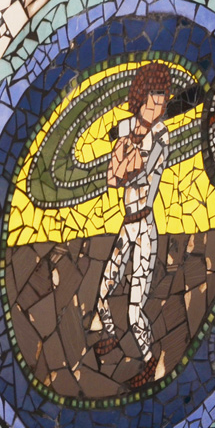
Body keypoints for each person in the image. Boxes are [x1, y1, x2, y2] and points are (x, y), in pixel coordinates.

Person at [92, 62, 171, 390]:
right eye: (154, 100)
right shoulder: (129, 131)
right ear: (140, 97)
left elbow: (135, 173)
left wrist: (126, 153)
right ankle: (110, 334)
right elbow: (112, 179)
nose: (159, 107)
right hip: (127, 226)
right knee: (103, 291)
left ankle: (151, 359)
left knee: (135, 308)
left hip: (145, 228)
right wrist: (124, 151)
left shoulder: (161, 136)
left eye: (163, 101)